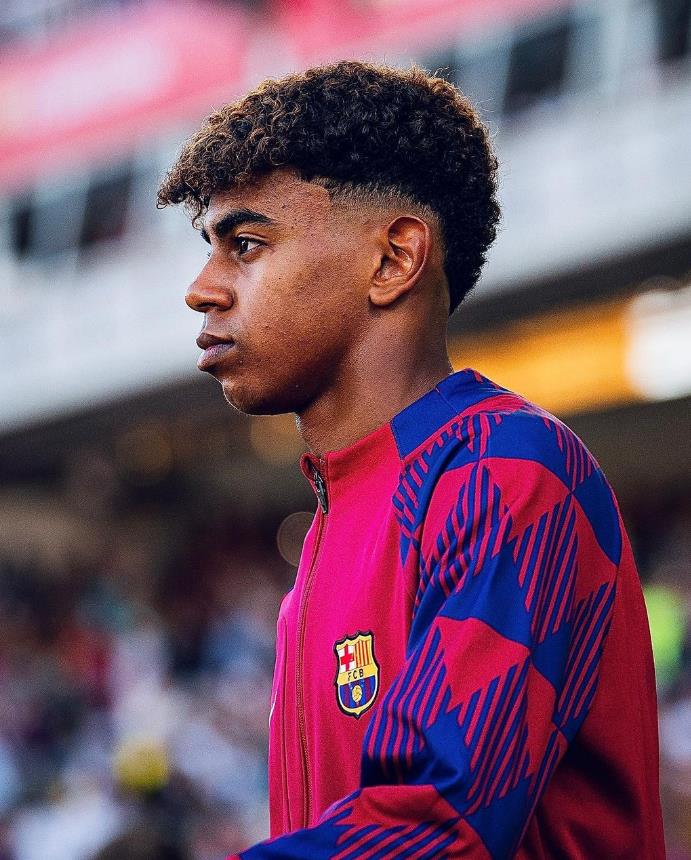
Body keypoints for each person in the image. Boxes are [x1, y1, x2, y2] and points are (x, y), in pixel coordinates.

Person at [157, 60, 665, 858]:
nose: (201, 288)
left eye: (245, 245)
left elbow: (436, 824)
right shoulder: (327, 535)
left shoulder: (503, 471)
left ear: (394, 259)